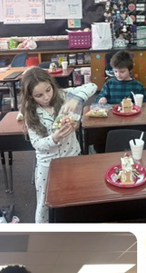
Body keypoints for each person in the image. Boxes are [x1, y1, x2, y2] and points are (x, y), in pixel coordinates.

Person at [19, 68, 97, 223]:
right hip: (48, 165)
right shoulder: (31, 112)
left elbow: (92, 86)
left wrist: (77, 99)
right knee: (45, 203)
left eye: (48, 90)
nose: (46, 97)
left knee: (75, 196)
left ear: (52, 85)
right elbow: (37, 144)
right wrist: (54, 138)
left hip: (72, 158)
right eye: (39, 95)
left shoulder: (62, 95)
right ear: (30, 96)